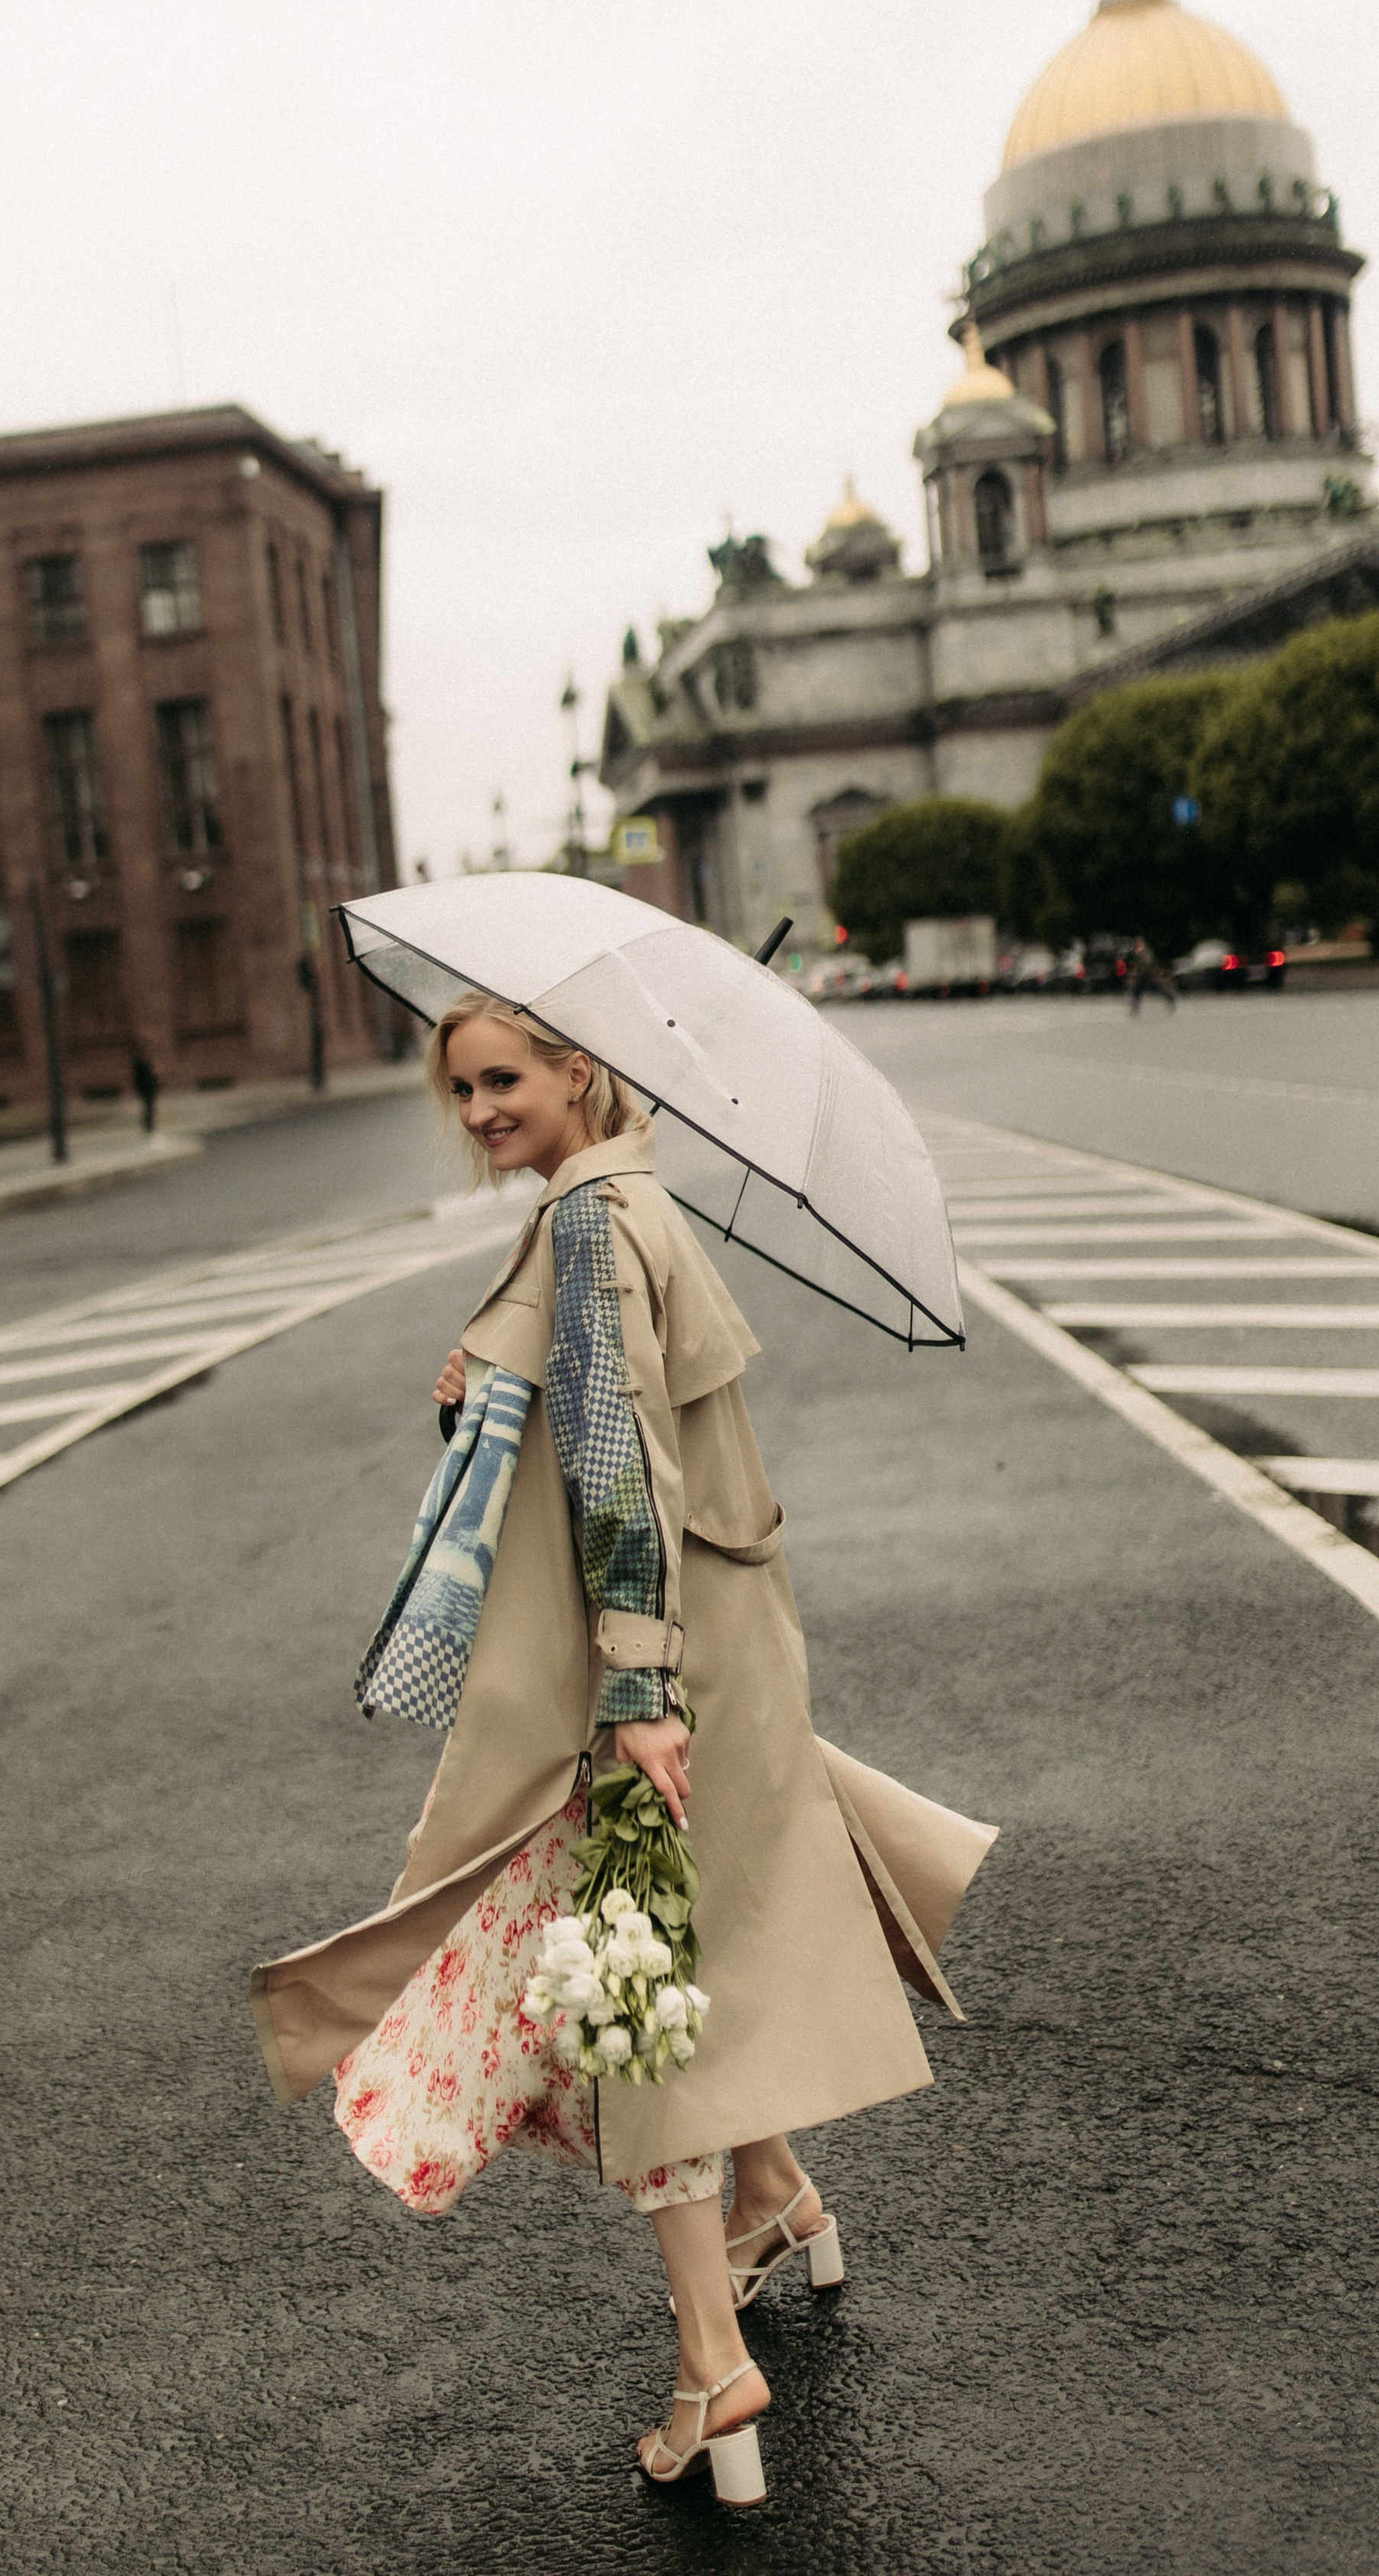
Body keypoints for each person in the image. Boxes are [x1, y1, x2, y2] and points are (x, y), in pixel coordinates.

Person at [252, 993, 996, 2508]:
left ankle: (710, 2367)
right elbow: (605, 1420)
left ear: (578, 1067)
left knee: (630, 2002)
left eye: (502, 1077)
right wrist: (487, 1382)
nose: (476, 1109)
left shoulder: (590, 1227)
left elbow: (614, 1465)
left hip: (654, 1669)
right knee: (678, 1958)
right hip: (728, 1637)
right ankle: (774, 2192)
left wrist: (632, 1693)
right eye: (457, 1087)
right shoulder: (624, 1201)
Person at [1127, 936, 1176, 1016]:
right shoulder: (1136, 953)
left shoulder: (1146, 952)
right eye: (1137, 943)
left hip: (1149, 975)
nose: (1138, 945)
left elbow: (1148, 964)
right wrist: (1133, 974)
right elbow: (1134, 965)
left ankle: (1170, 998)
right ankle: (1135, 1008)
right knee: (1137, 992)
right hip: (1141, 977)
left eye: (1139, 943)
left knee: (1158, 989)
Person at [130, 1045, 160, 1137]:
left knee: (151, 1108)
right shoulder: (139, 1064)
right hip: (145, 1089)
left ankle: (150, 1126)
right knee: (148, 1108)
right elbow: (139, 1079)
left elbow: (152, 1075)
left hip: (151, 1089)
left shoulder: (147, 1063)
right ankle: (148, 1127)